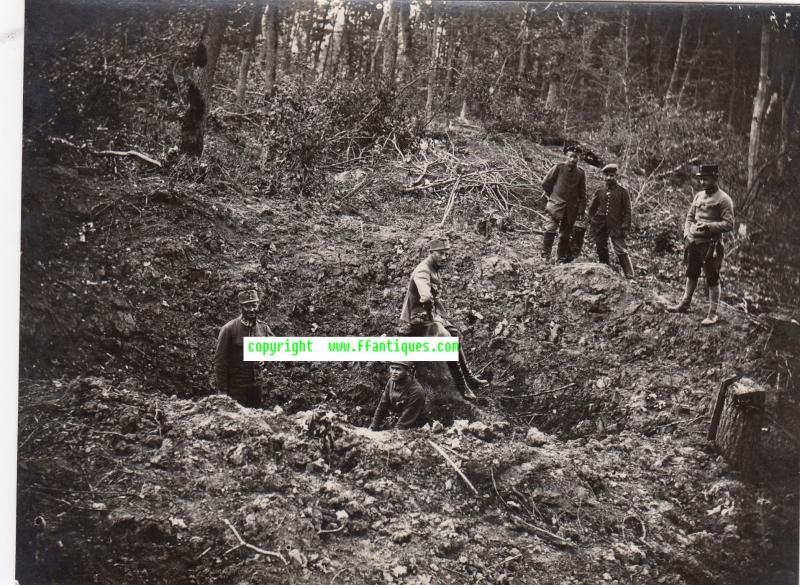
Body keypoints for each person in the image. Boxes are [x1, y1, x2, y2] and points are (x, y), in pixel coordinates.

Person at [398, 238, 488, 401]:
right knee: (447, 341)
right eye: (441, 253)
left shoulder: (434, 267)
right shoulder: (423, 270)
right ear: (431, 253)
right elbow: (425, 295)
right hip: (417, 317)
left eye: (446, 254)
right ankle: (463, 387)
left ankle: (469, 377)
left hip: (430, 314)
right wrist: (429, 300)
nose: (444, 257)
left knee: (455, 334)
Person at [667, 164, 734, 325]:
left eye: (706, 179)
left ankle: (713, 313)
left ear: (715, 179)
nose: (703, 182)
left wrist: (709, 227)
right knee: (691, 273)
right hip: (694, 243)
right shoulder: (698, 196)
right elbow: (690, 217)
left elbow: (729, 224)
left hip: (711, 245)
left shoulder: (724, 199)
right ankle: (684, 304)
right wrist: (686, 234)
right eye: (701, 179)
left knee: (712, 278)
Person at [214, 289, 274, 407]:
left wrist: (265, 358)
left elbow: (275, 349)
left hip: (256, 388)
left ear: (258, 305)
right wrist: (222, 391)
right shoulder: (229, 329)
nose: (251, 309)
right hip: (236, 389)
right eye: (247, 306)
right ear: (241, 307)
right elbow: (220, 362)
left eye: (254, 305)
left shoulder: (263, 328)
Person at [541, 145, 587, 263]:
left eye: (575, 157)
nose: (573, 159)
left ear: (579, 158)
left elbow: (582, 194)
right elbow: (546, 183)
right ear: (566, 156)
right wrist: (553, 196)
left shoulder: (581, 173)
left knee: (565, 235)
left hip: (571, 209)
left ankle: (560, 258)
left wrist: (581, 210)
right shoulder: (558, 167)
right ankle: (545, 256)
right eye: (571, 156)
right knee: (550, 229)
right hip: (555, 205)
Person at [588, 163, 634, 278]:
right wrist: (591, 219)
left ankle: (630, 275)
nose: (609, 178)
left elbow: (628, 211)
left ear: (616, 176)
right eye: (607, 175)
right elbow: (592, 207)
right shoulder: (600, 191)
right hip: (600, 224)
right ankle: (606, 270)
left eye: (612, 175)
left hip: (616, 225)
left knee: (621, 250)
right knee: (600, 247)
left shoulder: (623, 192)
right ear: (604, 176)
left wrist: (625, 225)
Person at [369, 361, 427, 430]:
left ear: (407, 371)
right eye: (392, 368)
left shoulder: (416, 391)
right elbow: (382, 405)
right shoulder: (391, 382)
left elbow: (405, 420)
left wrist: (395, 431)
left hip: (414, 426)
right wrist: (373, 426)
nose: (394, 372)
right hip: (397, 420)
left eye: (398, 369)